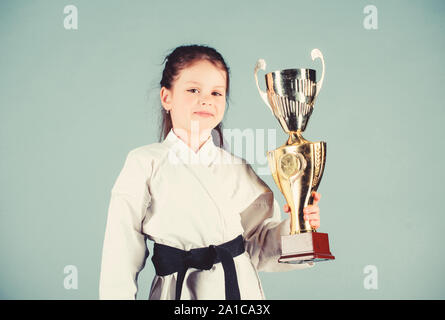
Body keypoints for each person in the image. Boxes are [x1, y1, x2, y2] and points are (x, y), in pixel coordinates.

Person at [99, 44, 322, 300]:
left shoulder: (237, 168)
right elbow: (121, 253)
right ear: (166, 97)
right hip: (178, 291)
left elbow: (259, 246)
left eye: (217, 93)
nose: (205, 99)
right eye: (193, 90)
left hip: (238, 289)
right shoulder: (144, 163)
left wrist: (298, 227)